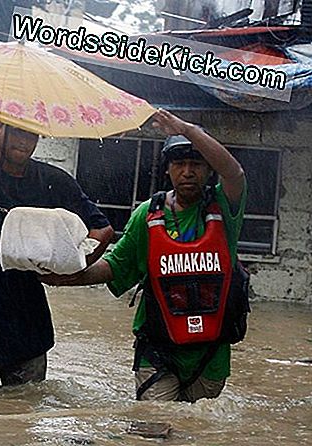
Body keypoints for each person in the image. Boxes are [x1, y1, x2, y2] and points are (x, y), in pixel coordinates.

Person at [43, 109, 247, 403]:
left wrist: (187, 130)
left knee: (195, 430)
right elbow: (115, 266)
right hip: (158, 350)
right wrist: (63, 278)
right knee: (154, 427)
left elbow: (235, 173)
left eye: (196, 164)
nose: (188, 171)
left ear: (208, 169)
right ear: (168, 169)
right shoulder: (148, 216)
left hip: (210, 356)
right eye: (179, 163)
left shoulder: (225, 210)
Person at [0, 119, 114, 391]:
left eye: (31, 134)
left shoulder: (52, 181)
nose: (24, 141)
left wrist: (73, 268)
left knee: (24, 418)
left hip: (29, 326)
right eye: (17, 131)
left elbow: (102, 229)